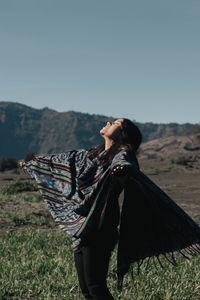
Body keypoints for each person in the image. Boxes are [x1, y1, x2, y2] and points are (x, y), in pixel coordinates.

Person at [19, 118, 200, 300]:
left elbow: (126, 167)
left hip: (100, 226)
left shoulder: (122, 157)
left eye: (115, 123)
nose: (108, 122)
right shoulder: (91, 155)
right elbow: (62, 161)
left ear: (122, 134)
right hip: (82, 228)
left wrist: (121, 170)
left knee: (95, 287)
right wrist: (35, 164)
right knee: (86, 290)